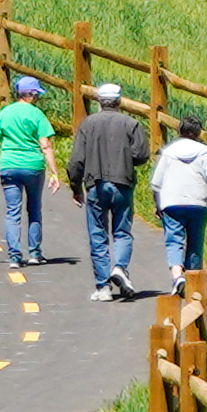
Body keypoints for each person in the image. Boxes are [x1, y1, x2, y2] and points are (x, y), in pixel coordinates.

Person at [69, 80, 147, 299]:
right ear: (119, 102)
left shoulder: (88, 124)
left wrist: (75, 187)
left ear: (99, 102)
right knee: (122, 231)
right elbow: (141, 155)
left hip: (95, 183)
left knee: (98, 233)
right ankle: (119, 267)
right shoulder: (131, 124)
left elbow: (76, 160)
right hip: (123, 182)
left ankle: (103, 286)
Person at [0, 75, 55, 265]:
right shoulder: (37, 115)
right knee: (34, 209)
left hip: (9, 165)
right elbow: (45, 145)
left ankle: (14, 256)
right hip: (33, 166)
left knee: (12, 212)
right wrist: (54, 172)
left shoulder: (6, 112)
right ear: (31, 95)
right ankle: (34, 253)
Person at [149, 115, 207, 288]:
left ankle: (177, 276)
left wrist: (157, 204)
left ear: (179, 130)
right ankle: (193, 281)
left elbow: (156, 183)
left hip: (171, 202)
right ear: (199, 133)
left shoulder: (169, 151)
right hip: (199, 202)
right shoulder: (205, 152)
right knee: (195, 241)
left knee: (174, 240)